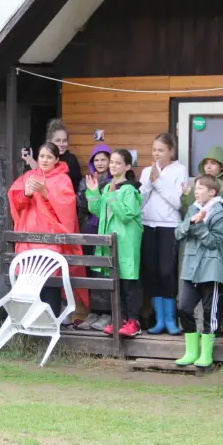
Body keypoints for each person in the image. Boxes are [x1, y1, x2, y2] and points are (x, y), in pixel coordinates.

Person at [8, 142, 89, 318]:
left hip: (52, 240)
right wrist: (26, 194)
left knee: (50, 280)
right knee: (28, 282)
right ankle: (29, 322)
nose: (45, 160)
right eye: (42, 156)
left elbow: (67, 212)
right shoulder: (28, 176)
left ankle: (51, 321)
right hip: (28, 239)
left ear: (57, 159)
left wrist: (46, 193)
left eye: (49, 157)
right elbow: (17, 205)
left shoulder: (63, 180)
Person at [174, 175, 223, 367]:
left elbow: (215, 242)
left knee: (210, 312)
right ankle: (191, 351)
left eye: (200, 188)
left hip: (211, 268)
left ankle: (206, 354)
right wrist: (191, 222)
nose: (196, 191)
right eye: (195, 188)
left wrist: (199, 226)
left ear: (212, 192)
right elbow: (178, 233)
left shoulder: (221, 213)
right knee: (183, 308)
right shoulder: (193, 209)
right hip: (191, 267)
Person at [86, 149, 143, 335]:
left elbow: (126, 214)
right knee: (116, 282)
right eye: (112, 162)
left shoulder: (129, 189)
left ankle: (134, 322)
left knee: (129, 283)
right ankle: (120, 320)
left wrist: (111, 196)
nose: (113, 165)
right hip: (111, 242)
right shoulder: (107, 187)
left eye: (118, 163)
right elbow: (97, 210)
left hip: (126, 242)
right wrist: (93, 192)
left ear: (127, 166)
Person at [139, 133, 188, 335]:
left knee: (166, 272)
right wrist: (149, 183)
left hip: (169, 225)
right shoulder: (146, 171)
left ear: (171, 151)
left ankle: (171, 320)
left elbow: (177, 202)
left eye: (161, 150)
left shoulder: (180, 170)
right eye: (154, 150)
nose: (156, 154)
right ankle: (159, 320)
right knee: (151, 272)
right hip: (148, 224)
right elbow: (140, 200)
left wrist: (158, 182)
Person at [75, 145, 112, 329]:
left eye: (103, 159)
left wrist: (96, 193)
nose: (100, 163)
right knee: (90, 271)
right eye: (96, 160)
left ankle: (107, 314)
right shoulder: (86, 180)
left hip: (107, 229)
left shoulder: (115, 181)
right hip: (89, 228)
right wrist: (89, 191)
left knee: (105, 271)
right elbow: (81, 204)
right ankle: (93, 312)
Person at [181, 145, 223, 222]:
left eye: (213, 163)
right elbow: (187, 210)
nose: (208, 167)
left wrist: (218, 192)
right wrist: (188, 194)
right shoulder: (199, 183)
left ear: (221, 166)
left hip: (220, 225)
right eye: (206, 163)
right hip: (199, 225)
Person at [22, 119, 82, 192]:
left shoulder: (71, 160)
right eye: (58, 140)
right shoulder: (43, 158)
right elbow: (27, 183)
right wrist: (29, 162)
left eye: (64, 140)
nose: (61, 144)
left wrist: (36, 168)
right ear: (49, 141)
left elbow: (65, 185)